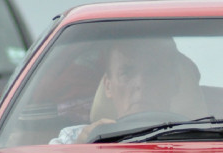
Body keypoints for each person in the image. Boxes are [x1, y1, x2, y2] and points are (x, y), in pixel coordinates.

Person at [50, 39, 187, 144]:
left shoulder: (205, 136)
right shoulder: (72, 139)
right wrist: (80, 148)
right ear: (108, 86)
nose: (141, 84)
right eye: (127, 73)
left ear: (174, 83)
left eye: (153, 72)